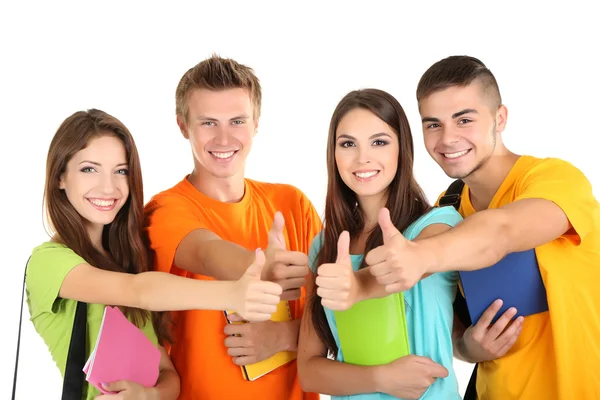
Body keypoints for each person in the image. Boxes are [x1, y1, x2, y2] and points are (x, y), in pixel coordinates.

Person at [346, 56, 600, 399]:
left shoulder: (555, 180)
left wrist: (423, 256)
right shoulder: (445, 209)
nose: (447, 138)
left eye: (464, 119)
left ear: (500, 118)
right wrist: (469, 347)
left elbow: (502, 231)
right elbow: (448, 326)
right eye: (432, 124)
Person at [26, 109, 283, 400]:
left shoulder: (127, 262)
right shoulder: (48, 261)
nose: (108, 186)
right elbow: (136, 291)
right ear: (60, 177)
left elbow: (168, 374)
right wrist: (233, 294)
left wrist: (146, 396)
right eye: (89, 169)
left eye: (120, 171)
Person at [143, 55, 322, 400]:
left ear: (256, 123)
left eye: (237, 121)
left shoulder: (293, 204)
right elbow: (207, 253)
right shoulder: (164, 210)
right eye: (208, 123)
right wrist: (261, 267)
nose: (224, 138)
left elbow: (338, 317)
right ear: (183, 126)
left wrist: (284, 336)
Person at [296, 88, 463, 400]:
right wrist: (380, 378)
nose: (363, 158)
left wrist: (355, 285)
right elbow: (309, 372)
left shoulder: (438, 225)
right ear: (333, 154)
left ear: (402, 149)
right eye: (348, 144)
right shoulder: (325, 247)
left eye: (379, 142)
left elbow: (398, 270)